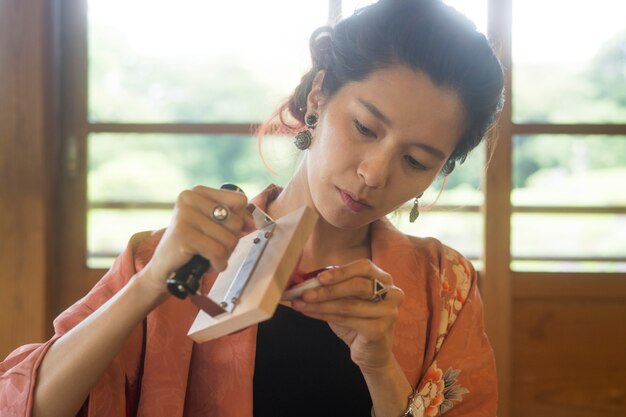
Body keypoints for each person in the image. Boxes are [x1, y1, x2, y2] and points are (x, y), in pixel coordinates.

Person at [0, 0, 504, 416]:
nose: (374, 173)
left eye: (415, 161)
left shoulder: (445, 287)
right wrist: (149, 284)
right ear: (319, 93)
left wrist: (381, 369)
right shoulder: (177, 258)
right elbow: (22, 405)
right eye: (365, 128)